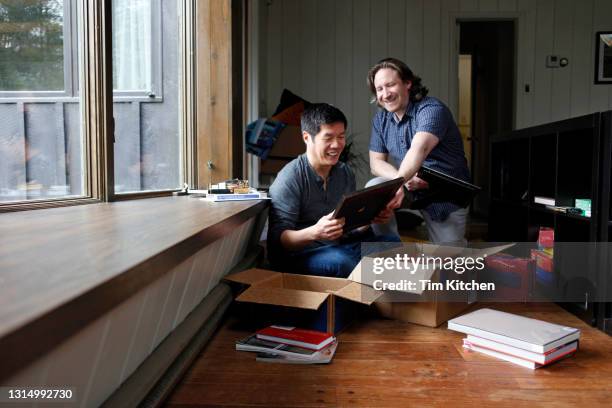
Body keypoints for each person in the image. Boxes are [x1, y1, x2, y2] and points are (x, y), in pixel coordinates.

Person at [267, 103, 401, 278]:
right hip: (299, 255)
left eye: (341, 136)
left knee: (392, 246)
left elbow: (348, 229)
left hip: (339, 246)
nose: (337, 145)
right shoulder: (290, 178)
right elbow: (277, 242)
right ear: (307, 137)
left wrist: (370, 219)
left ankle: (379, 302)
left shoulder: (344, 172)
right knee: (343, 262)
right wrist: (315, 232)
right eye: (328, 137)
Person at [367, 57, 471, 245]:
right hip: (410, 186)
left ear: (408, 83)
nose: (385, 94)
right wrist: (401, 181)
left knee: (450, 260)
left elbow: (419, 149)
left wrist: (400, 181)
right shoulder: (380, 120)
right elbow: (376, 163)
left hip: (445, 195)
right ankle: (390, 249)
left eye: (390, 85)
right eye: (379, 89)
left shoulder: (431, 109)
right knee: (375, 186)